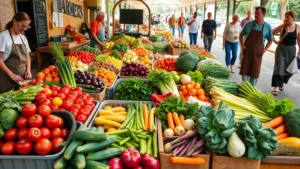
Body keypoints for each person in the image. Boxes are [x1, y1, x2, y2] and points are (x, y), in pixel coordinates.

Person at [239, 6, 273, 86]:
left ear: (263, 14)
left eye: (258, 13)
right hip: (247, 52)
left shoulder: (267, 27)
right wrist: (242, 44)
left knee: (255, 73)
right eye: (255, 13)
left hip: (257, 54)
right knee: (244, 71)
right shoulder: (248, 24)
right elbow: (241, 35)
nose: (256, 15)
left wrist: (265, 49)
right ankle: (245, 88)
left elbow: (270, 40)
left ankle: (252, 90)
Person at [0, 12, 32, 94]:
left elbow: (27, 56)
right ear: (14, 21)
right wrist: (11, 74)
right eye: (22, 26)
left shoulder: (23, 38)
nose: (24, 29)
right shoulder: (3, 36)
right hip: (7, 78)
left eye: (27, 27)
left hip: (22, 79)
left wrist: (28, 70)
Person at [271, 10, 300, 96]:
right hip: (281, 50)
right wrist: (275, 41)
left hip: (292, 50)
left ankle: (282, 83)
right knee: (279, 68)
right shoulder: (282, 27)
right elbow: (271, 33)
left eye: (288, 17)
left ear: (293, 18)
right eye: (285, 17)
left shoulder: (297, 27)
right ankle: (276, 87)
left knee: (289, 70)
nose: (286, 19)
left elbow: (299, 39)